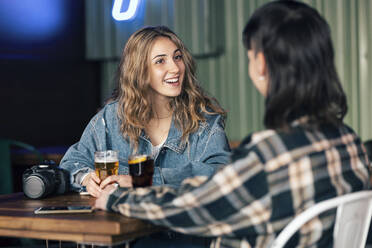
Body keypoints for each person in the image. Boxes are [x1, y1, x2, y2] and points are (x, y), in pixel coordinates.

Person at [95, 1, 371, 247]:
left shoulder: (268, 157)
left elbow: (195, 206)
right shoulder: (350, 142)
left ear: (260, 64)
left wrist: (116, 199)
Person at [60, 26, 231, 247]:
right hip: (125, 240)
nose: (175, 68)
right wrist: (85, 178)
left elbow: (222, 174)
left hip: (185, 240)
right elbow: (71, 163)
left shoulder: (204, 120)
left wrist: (143, 182)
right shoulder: (111, 117)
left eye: (177, 57)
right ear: (139, 70)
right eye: (161, 61)